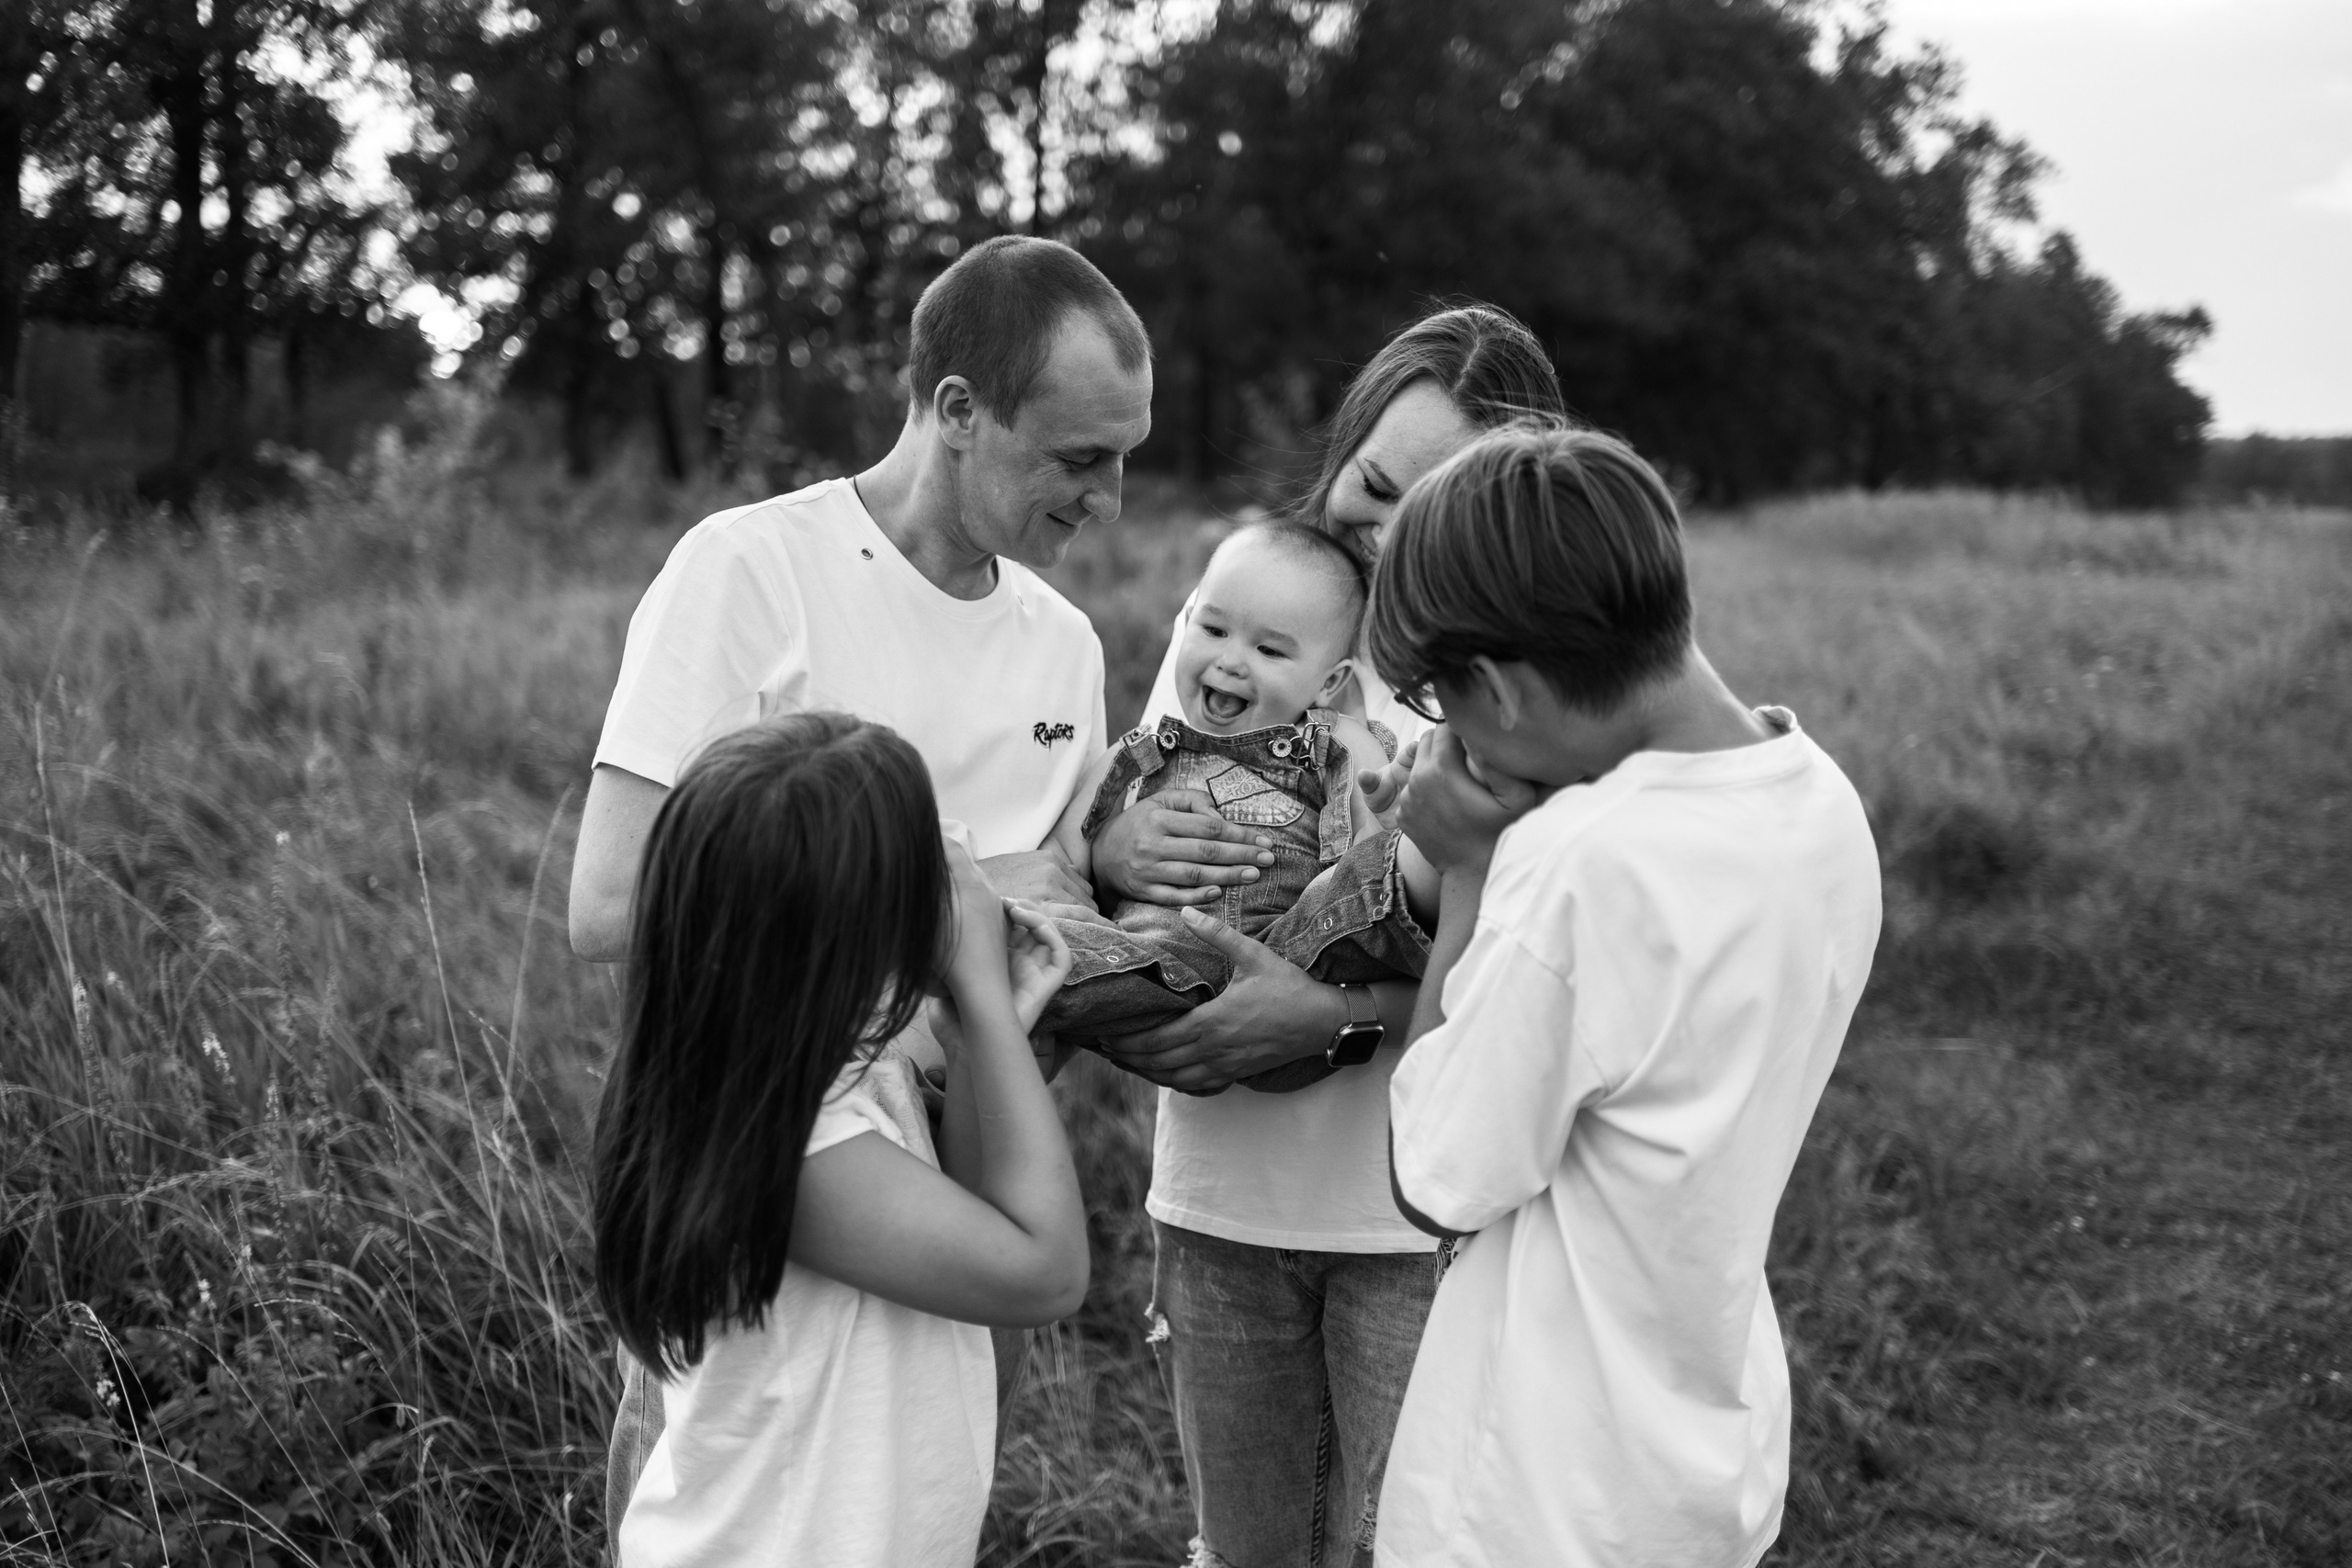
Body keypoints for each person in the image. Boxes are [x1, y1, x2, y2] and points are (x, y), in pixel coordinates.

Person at [569, 234, 1151, 1538]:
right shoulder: (751, 568)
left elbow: (1059, 926)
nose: (1109, 501)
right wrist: (952, 916)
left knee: (914, 1502)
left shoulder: (1064, 644)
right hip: (769, 1182)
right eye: (1078, 458)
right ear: (955, 411)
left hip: (981, 1171)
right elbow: (609, 907)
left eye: (1127, 454)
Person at [1083, 304, 1567, 1568]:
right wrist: (1106, 847)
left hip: (1415, 1229)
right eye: (1373, 481)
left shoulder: (1530, 700)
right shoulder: (1256, 614)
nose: (1384, 526)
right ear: (1342, 449)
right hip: (1222, 1205)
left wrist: (1339, 1020)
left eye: (1433, 502)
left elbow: (1541, 986)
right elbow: (1138, 833)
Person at [1366, 425, 1883, 1567]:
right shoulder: (1819, 797)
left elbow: (1435, 1179)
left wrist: (1463, 872)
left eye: (1438, 700)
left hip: (1537, 1494)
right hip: (1708, 1446)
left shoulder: (1583, 863)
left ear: (1495, 690)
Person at [595, 712, 1088, 1567]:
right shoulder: (796, 1145)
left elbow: (977, 1221)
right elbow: (1043, 1273)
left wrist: (977, 1036)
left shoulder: (818, 1073)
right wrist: (976, 982)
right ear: (859, 931)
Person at [1037, 523, 1435, 1047]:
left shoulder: (1334, 741)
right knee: (1037, 947)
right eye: (1214, 630)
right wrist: (1070, 904)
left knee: (1377, 880)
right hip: (1152, 960)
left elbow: (1367, 852)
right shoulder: (1143, 751)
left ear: (1329, 683)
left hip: (1297, 958)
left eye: (1270, 651)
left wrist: (1387, 834)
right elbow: (1063, 857)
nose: (1230, 660)